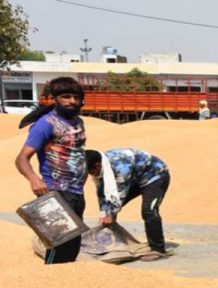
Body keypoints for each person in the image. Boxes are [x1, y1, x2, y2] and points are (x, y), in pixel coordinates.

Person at [14, 77, 87, 264]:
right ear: (55, 98)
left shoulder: (78, 121)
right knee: (59, 247)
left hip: (76, 192)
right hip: (56, 192)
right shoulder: (46, 123)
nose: (72, 101)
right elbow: (21, 158)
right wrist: (34, 180)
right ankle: (49, 285)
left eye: (76, 97)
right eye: (66, 96)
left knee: (73, 248)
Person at [85, 148, 171, 260]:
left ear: (97, 166)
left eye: (89, 172)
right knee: (109, 213)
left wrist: (110, 214)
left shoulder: (121, 166)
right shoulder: (102, 164)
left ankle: (158, 249)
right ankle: (112, 240)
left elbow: (119, 195)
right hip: (135, 178)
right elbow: (102, 192)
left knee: (149, 210)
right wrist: (104, 213)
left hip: (155, 177)